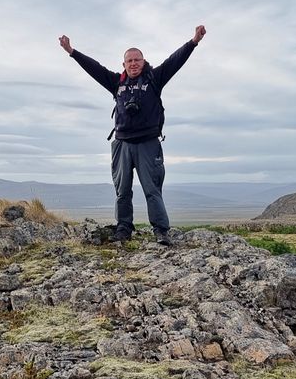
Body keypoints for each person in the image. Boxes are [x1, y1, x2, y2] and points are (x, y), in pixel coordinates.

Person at [58, 25, 206, 245]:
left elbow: (175, 60)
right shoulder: (116, 82)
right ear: (124, 65)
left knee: (152, 190)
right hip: (122, 145)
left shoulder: (154, 78)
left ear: (143, 62)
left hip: (148, 143)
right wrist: (72, 51)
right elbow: (94, 68)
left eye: (138, 60)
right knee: (122, 191)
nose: (134, 63)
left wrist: (194, 41)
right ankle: (123, 228)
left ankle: (160, 231)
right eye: (130, 61)